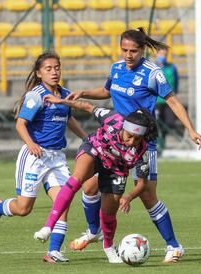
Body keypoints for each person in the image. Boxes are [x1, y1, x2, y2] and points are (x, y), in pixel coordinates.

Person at [66, 27, 201, 263]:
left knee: (148, 195)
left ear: (142, 50)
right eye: (124, 50)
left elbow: (172, 101)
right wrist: (85, 92)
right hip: (114, 139)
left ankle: (174, 246)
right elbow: (107, 91)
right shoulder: (116, 68)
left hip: (142, 143)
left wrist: (190, 129)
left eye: (133, 51)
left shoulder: (153, 73)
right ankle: (94, 231)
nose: (128, 55)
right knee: (89, 187)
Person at [0, 52, 87, 263]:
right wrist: (31, 144)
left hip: (56, 158)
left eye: (57, 67)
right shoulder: (35, 95)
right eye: (48, 69)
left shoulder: (64, 94)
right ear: (39, 74)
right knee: (24, 209)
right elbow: (20, 124)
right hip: (35, 156)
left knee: (63, 201)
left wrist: (87, 138)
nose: (54, 72)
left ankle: (53, 251)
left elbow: (69, 119)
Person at [34, 95, 157, 264]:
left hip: (116, 170)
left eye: (137, 138)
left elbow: (142, 183)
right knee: (76, 180)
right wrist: (62, 102)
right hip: (95, 150)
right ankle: (48, 226)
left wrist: (128, 197)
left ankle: (108, 247)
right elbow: (87, 106)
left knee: (109, 210)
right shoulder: (113, 119)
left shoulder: (141, 150)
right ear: (124, 127)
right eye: (130, 136)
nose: (132, 141)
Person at [155, 48, 180, 150]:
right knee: (156, 123)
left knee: (169, 122)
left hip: (169, 100)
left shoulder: (172, 67)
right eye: (161, 54)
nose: (163, 56)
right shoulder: (153, 67)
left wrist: (175, 93)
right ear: (156, 54)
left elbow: (176, 81)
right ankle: (156, 144)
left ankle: (162, 142)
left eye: (164, 54)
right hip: (157, 100)